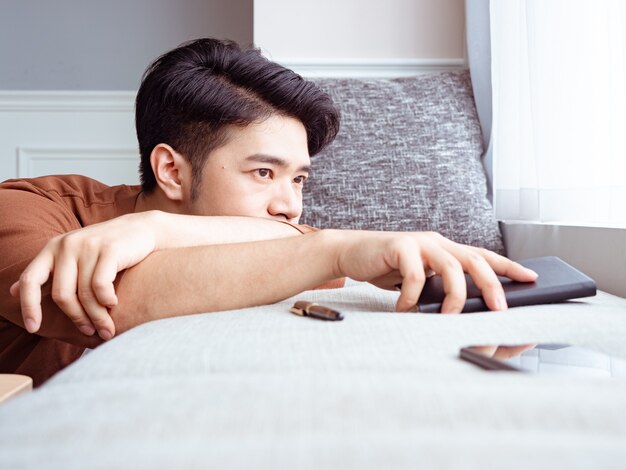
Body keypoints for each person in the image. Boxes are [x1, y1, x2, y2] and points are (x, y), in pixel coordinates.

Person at [0, 38, 537, 386]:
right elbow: (114, 307)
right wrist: (329, 249)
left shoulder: (286, 239)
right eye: (263, 173)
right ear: (171, 171)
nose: (289, 204)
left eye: (298, 178)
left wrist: (156, 226)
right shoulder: (25, 209)